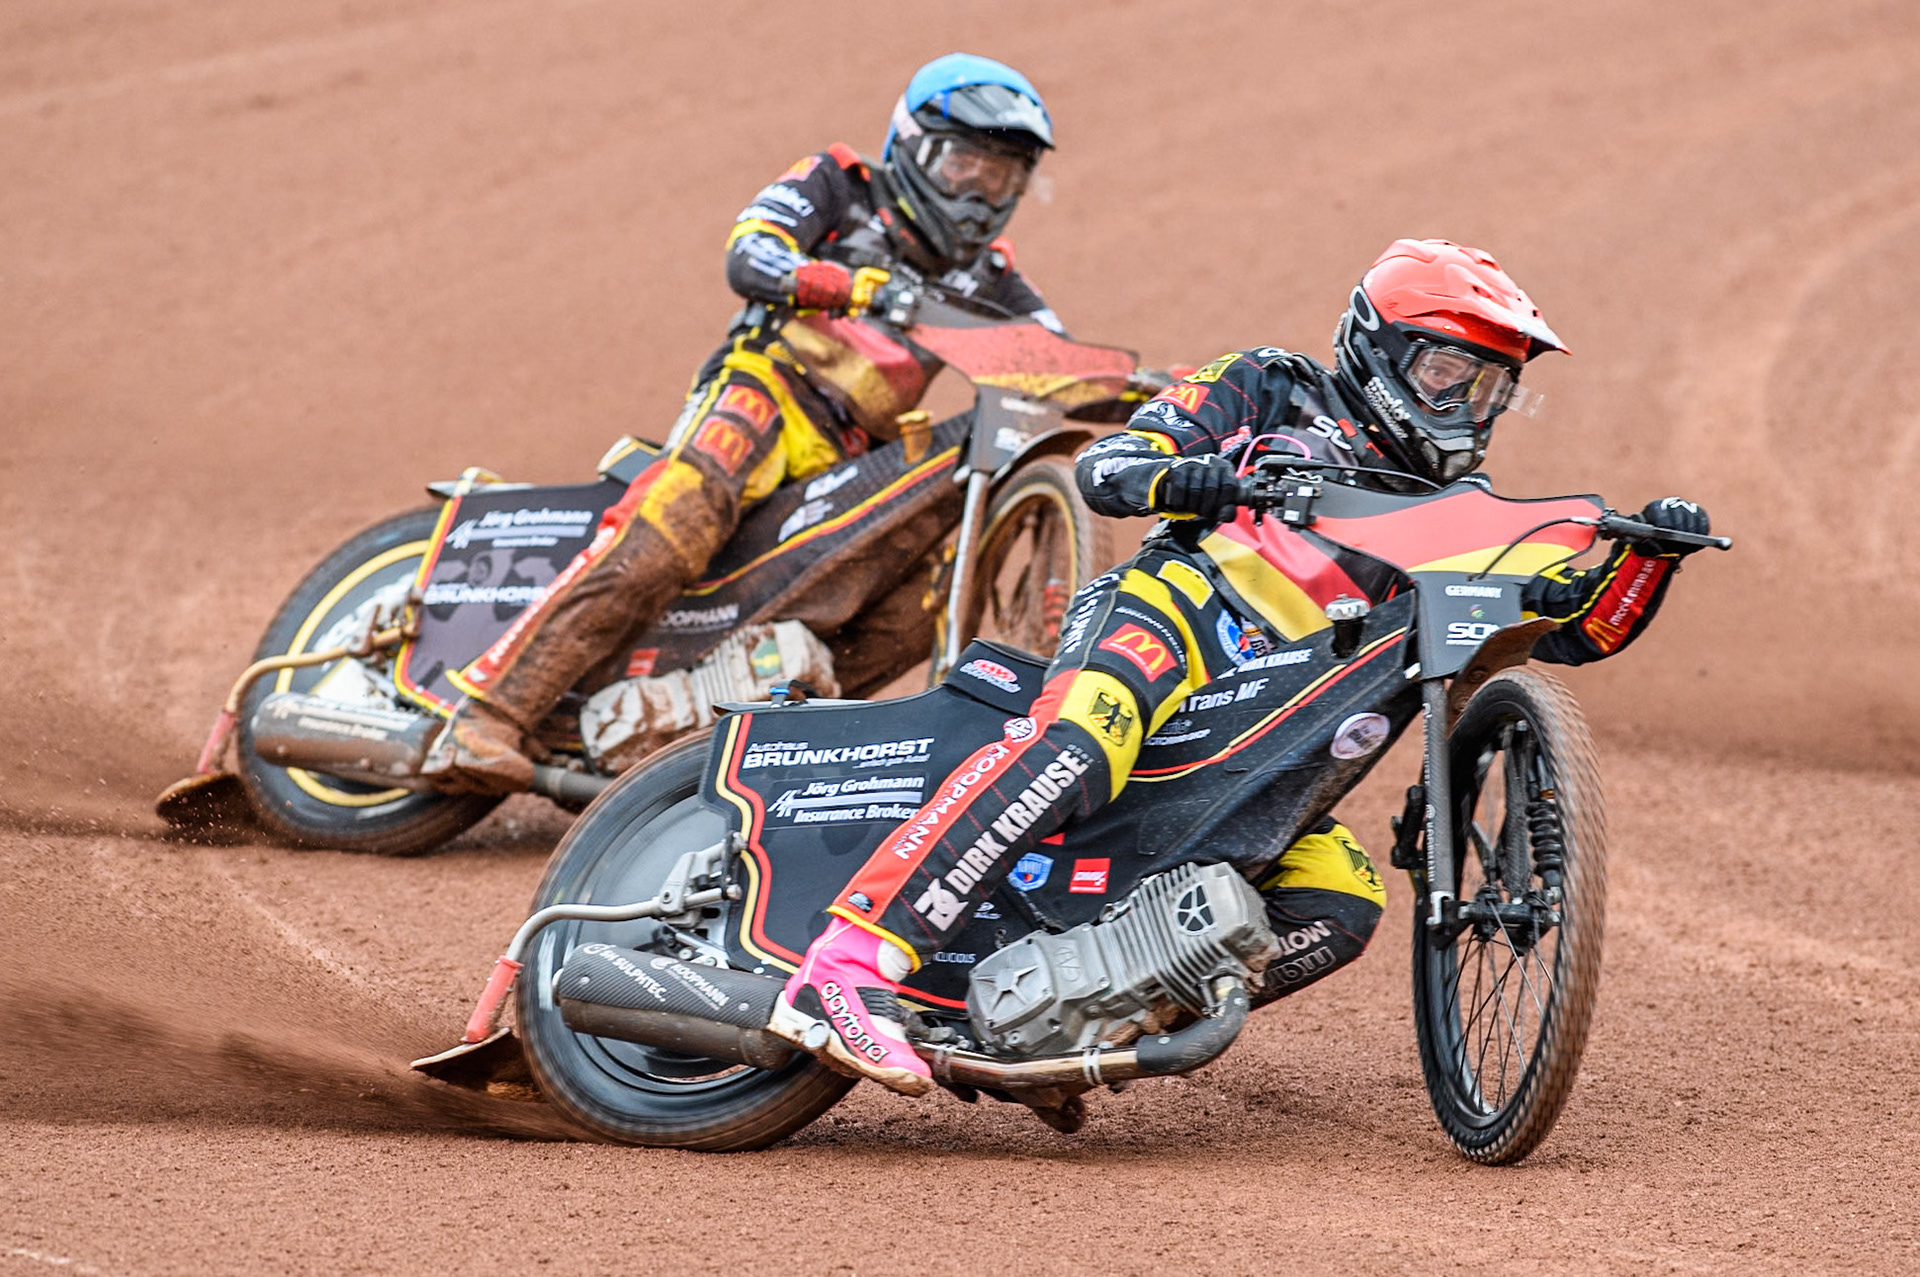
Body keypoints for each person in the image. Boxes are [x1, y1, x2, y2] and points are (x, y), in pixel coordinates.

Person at [769, 238, 1713, 1095]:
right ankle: (844, 967)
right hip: (1171, 620)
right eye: (1447, 372)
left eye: (1490, 387)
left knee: (1342, 897)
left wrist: (1648, 558)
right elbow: (1109, 467)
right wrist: (1186, 474)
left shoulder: (1462, 514)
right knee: (1076, 742)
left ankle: (1065, 1031)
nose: (1468, 406)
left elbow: (1571, 632)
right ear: (1376, 350)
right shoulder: (1269, 384)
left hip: (1276, 726)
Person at [423, 53, 1063, 792]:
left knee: (915, 604)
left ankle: (756, 758)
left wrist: (1145, 392)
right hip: (766, 387)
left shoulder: (991, 279)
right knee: (680, 517)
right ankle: (487, 712)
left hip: (858, 457)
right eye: (966, 168)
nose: (982, 197)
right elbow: (750, 252)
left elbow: (1054, 358)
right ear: (913, 148)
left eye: (1005, 178)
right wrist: (850, 286)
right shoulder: (840, 185)